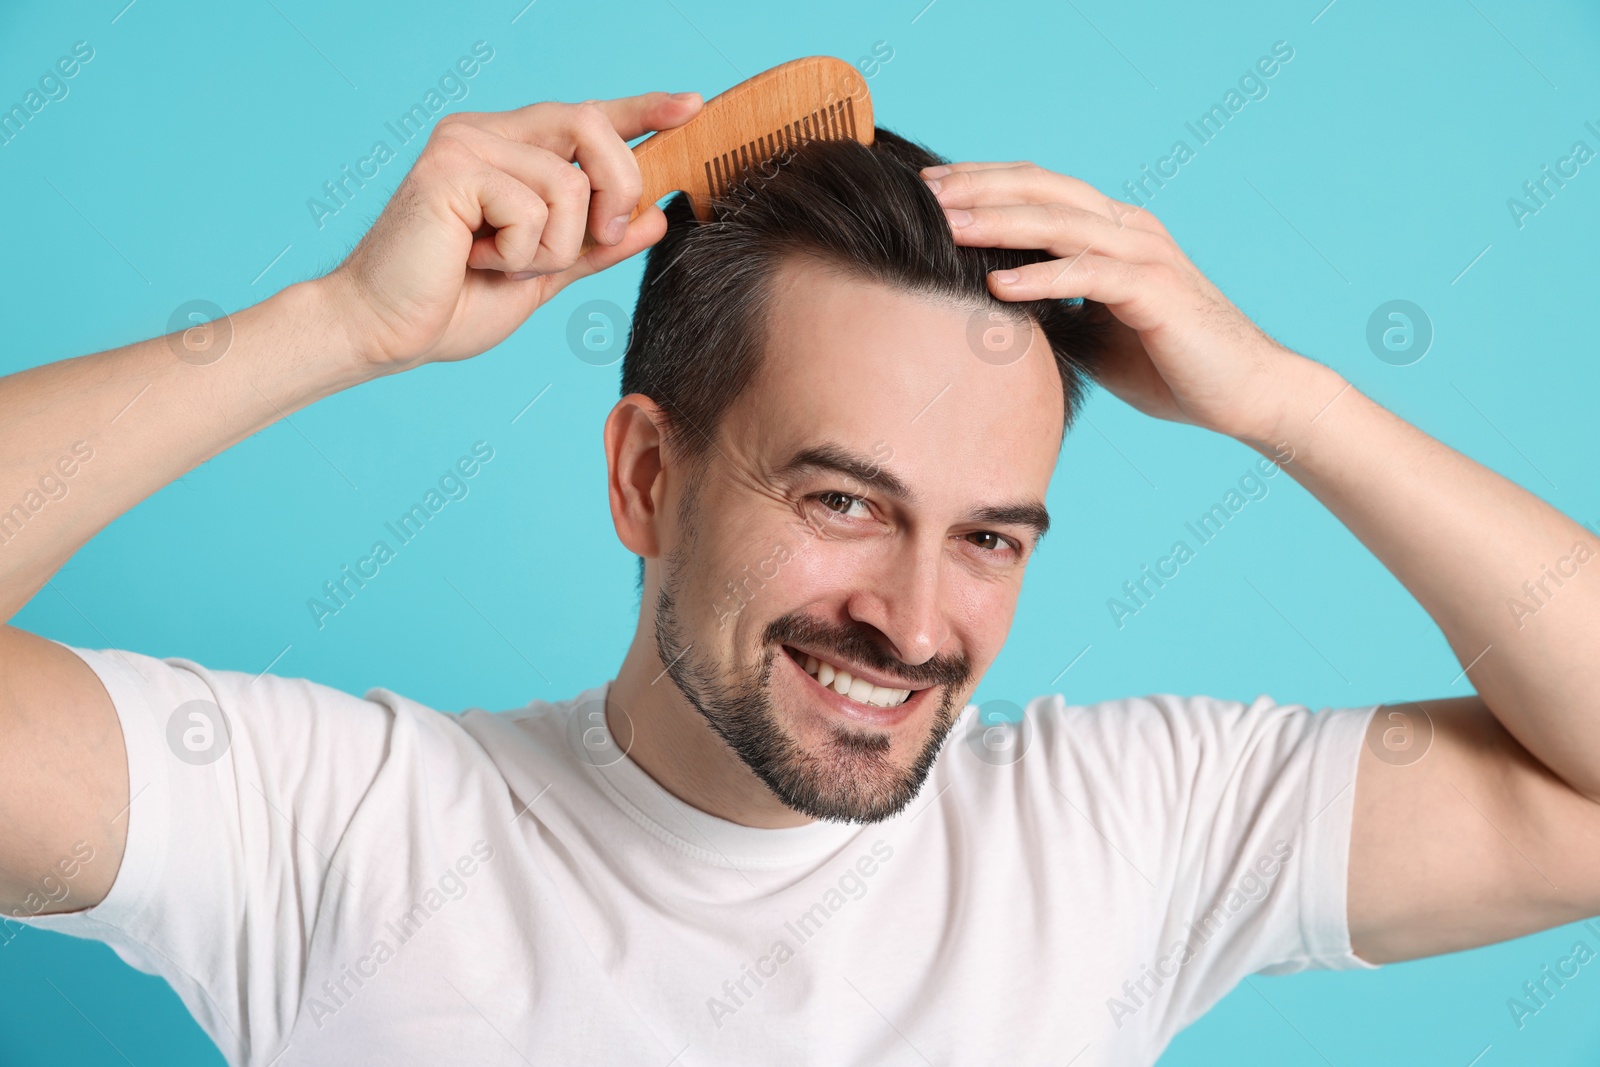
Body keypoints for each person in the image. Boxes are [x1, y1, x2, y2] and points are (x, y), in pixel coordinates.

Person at [2, 89, 1597, 1067]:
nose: (912, 621)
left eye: (988, 536)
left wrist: (1284, 399)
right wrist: (334, 327)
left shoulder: (1128, 837)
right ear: (646, 476)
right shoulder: (329, 824)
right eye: (843, 500)